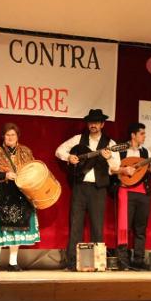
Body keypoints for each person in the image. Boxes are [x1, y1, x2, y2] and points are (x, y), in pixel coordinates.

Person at [55, 109, 120, 270]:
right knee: (75, 224)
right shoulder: (79, 139)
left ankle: (97, 263)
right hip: (80, 187)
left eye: (96, 122)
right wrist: (69, 157)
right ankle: (71, 263)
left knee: (97, 227)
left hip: (99, 189)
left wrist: (109, 157)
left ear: (102, 124)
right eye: (91, 122)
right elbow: (59, 151)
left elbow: (116, 167)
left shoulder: (110, 144)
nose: (93, 125)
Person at [0, 123, 40, 271]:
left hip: (20, 196)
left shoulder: (26, 152)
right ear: (3, 137)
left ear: (17, 137)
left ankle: (13, 263)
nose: (10, 137)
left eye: (13, 135)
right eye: (7, 135)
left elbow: (34, 171)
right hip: (1, 196)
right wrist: (5, 175)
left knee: (17, 231)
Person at [115, 122, 151, 269]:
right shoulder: (121, 150)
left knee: (140, 228)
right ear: (133, 135)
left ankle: (138, 260)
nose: (144, 136)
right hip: (125, 192)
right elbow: (111, 169)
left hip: (143, 193)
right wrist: (123, 170)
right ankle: (123, 261)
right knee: (124, 227)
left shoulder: (146, 153)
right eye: (142, 134)